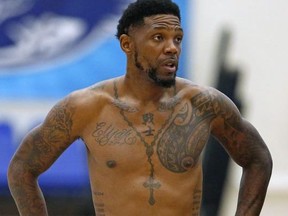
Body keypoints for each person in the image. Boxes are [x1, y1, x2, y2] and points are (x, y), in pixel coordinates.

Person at [7, 0, 272, 215]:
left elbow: (258, 159)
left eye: (177, 39)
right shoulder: (85, 107)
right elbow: (22, 169)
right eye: (158, 37)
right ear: (127, 44)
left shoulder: (204, 104)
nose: (171, 48)